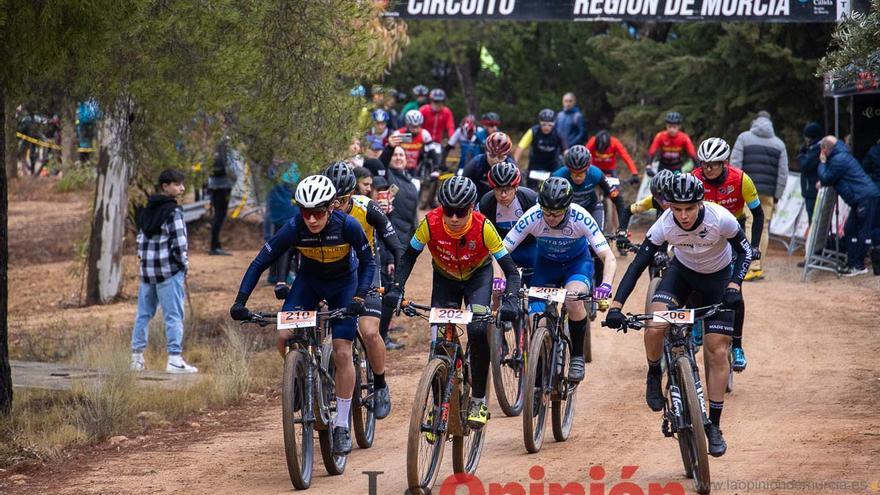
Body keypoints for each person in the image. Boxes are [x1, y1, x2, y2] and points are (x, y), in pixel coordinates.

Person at [604, 173, 753, 458]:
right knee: (656, 324)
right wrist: (616, 306)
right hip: (681, 277)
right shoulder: (664, 224)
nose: (683, 216)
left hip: (718, 280)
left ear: (700, 203)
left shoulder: (720, 218)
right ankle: (653, 373)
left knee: (717, 350)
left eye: (689, 208)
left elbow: (745, 253)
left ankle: (714, 427)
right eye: (676, 209)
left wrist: (735, 285)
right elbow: (638, 265)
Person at [230, 175, 377, 455]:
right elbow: (261, 261)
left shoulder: (348, 225)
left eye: (318, 212)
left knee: (342, 351)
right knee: (284, 335)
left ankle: (342, 424)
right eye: (305, 212)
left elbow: (368, 262)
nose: (311, 219)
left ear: (332, 207)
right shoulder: (294, 227)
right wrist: (241, 301)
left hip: (344, 284)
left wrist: (359, 297)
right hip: (309, 282)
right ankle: (297, 377)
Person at [384, 177, 522, 429]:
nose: (455, 218)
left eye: (461, 212)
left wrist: (511, 301)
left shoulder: (484, 227)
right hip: (445, 278)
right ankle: (437, 407)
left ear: (471, 209)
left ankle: (479, 399)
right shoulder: (430, 223)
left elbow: (511, 272)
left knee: (478, 330)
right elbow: (408, 258)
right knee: (438, 341)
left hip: (477, 278)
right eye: (449, 211)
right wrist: (396, 289)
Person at [503, 177, 617, 382]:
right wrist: (500, 279)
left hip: (577, 265)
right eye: (546, 212)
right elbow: (502, 251)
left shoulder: (580, 217)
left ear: (568, 208)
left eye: (556, 213)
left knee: (573, 301)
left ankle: (577, 357)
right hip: (546, 267)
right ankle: (538, 378)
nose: (551, 218)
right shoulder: (533, 217)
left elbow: (608, 256)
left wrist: (606, 284)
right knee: (535, 321)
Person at [324, 163, 404, 419]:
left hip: (366, 270)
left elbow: (396, 247)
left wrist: (397, 285)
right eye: (331, 200)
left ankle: (380, 384)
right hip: (334, 272)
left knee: (369, 331)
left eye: (341, 200)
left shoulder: (368, 208)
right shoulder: (319, 210)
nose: (334, 206)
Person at [692, 137, 764, 372]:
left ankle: (737, 346)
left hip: (734, 236)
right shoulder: (695, 178)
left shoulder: (741, 179)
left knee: (734, 290)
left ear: (724, 162)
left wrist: (753, 246)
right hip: (704, 236)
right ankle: (695, 329)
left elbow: (758, 214)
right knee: (693, 280)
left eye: (713, 164)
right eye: (704, 164)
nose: (708, 169)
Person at [131, 169, 198, 374]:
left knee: (143, 314)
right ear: (165, 187)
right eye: (177, 184)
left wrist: (144, 265)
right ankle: (175, 359)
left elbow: (140, 241)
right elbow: (180, 243)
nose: (182, 188)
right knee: (174, 315)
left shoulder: (146, 210)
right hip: (169, 273)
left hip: (147, 273)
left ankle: (136, 358)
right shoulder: (173, 211)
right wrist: (183, 266)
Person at [730, 111, 788, 281]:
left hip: (747, 191)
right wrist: (777, 194)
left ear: (755, 121)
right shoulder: (779, 144)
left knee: (749, 225)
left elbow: (735, 164)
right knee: (763, 227)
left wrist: (736, 189)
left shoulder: (743, 138)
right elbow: (783, 173)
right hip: (768, 193)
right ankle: (757, 267)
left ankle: (746, 266)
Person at [817, 136, 880, 276]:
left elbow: (827, 178)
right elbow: (831, 178)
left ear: (825, 149)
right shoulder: (841, 155)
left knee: (863, 231)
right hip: (862, 197)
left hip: (864, 197)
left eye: (821, 149)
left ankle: (858, 265)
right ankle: (853, 263)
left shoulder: (838, 159)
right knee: (850, 228)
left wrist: (822, 163)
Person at [378, 145, 420, 347]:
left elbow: (413, 215)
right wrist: (389, 147)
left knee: (395, 287)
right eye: (395, 155)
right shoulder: (387, 177)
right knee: (388, 289)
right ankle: (381, 337)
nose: (398, 157)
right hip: (390, 240)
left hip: (404, 240)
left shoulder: (410, 181)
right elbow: (381, 162)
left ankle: (385, 328)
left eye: (401, 155)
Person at [477, 161, 539, 285]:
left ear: (516, 187)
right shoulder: (485, 204)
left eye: (508, 189)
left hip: (530, 246)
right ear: (493, 188)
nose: (503, 195)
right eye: (499, 189)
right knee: (497, 286)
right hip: (501, 249)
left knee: (536, 286)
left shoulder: (531, 199)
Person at [552, 145, 627, 235]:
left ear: (587, 168)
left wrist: (622, 227)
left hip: (592, 208)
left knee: (597, 236)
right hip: (567, 210)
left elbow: (617, 198)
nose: (578, 177)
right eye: (573, 173)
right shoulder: (557, 176)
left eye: (581, 173)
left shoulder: (596, 174)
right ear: (568, 169)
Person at [265, 163, 301, 292]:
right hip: (289, 211)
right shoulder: (293, 166)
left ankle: (274, 275)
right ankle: (284, 277)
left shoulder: (271, 167)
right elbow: (294, 189)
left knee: (277, 242)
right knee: (290, 245)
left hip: (277, 211)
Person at [514, 109, 567, 188]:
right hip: (536, 163)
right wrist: (514, 163)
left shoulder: (558, 132)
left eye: (549, 125)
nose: (546, 127)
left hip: (552, 164)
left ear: (554, 124)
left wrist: (569, 164)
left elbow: (565, 151)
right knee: (531, 187)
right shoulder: (533, 131)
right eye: (544, 124)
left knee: (554, 187)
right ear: (540, 123)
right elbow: (520, 147)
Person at [459, 131, 514, 200]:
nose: (495, 160)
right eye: (492, 155)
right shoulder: (476, 163)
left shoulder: (511, 167)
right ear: (485, 152)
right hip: (477, 201)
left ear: (507, 156)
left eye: (500, 157)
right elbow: (462, 187)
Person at [208, 137, 235, 256]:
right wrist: (235, 178)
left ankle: (216, 244)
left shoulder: (213, 149)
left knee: (217, 215)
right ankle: (214, 246)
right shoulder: (226, 150)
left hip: (213, 186)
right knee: (220, 216)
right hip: (224, 186)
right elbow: (231, 169)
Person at [798, 122, 825, 224]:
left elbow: (805, 165)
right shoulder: (812, 148)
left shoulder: (817, 149)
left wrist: (801, 155)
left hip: (813, 190)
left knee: (814, 220)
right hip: (811, 190)